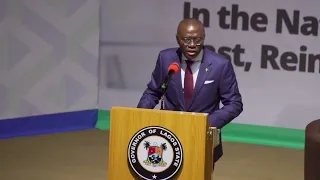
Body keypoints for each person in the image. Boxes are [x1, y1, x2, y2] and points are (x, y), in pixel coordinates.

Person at [137, 18, 243, 177]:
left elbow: (234, 103)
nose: (192, 44)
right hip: (168, 135)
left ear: (204, 38)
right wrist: (138, 117)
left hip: (202, 137)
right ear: (177, 39)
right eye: (187, 39)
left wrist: (206, 124)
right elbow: (153, 92)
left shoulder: (220, 64)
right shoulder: (166, 58)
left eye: (198, 39)